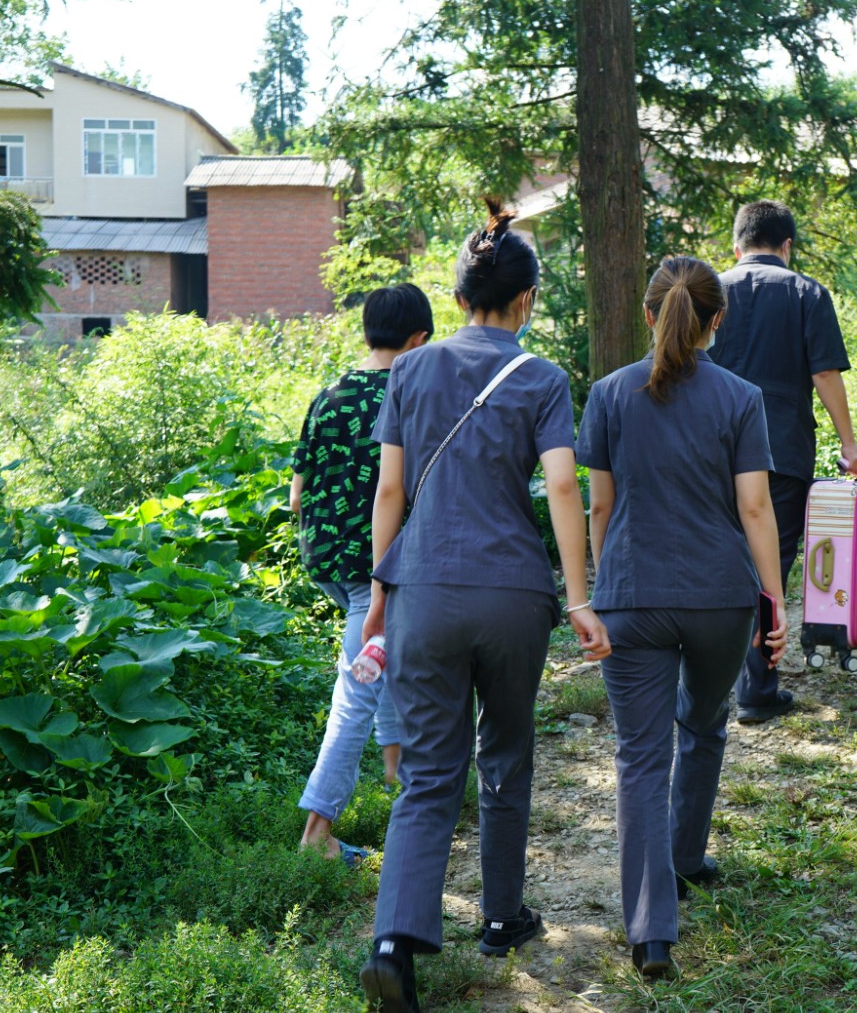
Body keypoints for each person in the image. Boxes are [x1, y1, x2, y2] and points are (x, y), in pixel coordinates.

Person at [357, 201, 610, 1013]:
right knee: (505, 751)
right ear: (526, 301)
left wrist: (377, 594)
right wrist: (580, 595)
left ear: (459, 295)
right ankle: (502, 916)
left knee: (429, 776)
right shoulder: (540, 377)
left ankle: (395, 943)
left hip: (423, 592)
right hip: (512, 596)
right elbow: (564, 487)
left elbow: (390, 490)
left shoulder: (409, 370)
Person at [577, 256, 789, 981]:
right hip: (720, 599)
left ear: (647, 315)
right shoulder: (740, 397)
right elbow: (755, 508)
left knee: (639, 757)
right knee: (703, 724)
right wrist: (776, 601)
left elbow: (599, 506)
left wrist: (607, 580)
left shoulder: (606, 395)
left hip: (632, 596)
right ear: (716, 321)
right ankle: (687, 858)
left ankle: (650, 932)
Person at [291, 285, 433, 865]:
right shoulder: (413, 391)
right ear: (419, 339)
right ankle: (316, 833)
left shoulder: (329, 393)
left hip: (323, 559)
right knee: (358, 690)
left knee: (380, 660)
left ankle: (396, 773)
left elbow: (297, 495)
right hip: (373, 569)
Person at [708, 199, 857, 724]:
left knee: (716, 553)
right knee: (770, 563)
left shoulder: (709, 290)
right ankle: (756, 688)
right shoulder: (807, 292)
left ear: (736, 246)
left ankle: (707, 680)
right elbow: (824, 374)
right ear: (787, 246)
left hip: (713, 448)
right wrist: (848, 443)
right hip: (782, 450)